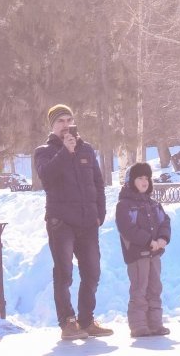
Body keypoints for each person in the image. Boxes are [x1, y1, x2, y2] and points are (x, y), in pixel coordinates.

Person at [35, 104, 112, 340]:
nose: (66, 125)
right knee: (64, 273)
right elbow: (46, 178)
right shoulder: (44, 151)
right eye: (60, 121)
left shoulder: (86, 149)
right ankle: (68, 322)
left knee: (92, 272)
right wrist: (65, 153)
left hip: (88, 221)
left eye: (69, 120)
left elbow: (98, 183)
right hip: (61, 222)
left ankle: (86, 320)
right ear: (52, 126)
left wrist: (100, 212)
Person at [115, 162, 172, 338]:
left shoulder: (153, 204)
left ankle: (155, 323)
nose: (144, 181)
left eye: (146, 178)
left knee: (155, 288)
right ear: (131, 181)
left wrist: (162, 238)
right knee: (139, 289)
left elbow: (165, 221)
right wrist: (148, 241)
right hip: (137, 255)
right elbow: (127, 229)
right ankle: (139, 325)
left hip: (154, 255)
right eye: (140, 178)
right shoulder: (124, 205)